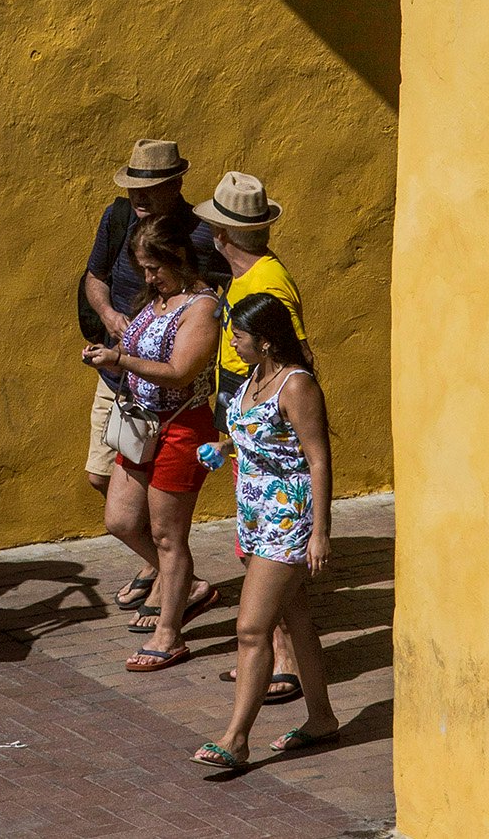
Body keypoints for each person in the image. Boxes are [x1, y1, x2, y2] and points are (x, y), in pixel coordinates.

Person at [80, 139, 230, 622]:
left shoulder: (202, 235)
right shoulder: (118, 217)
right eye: (133, 187)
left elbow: (207, 304)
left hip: (169, 399)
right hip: (122, 381)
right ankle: (163, 566)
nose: (138, 197)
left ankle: (172, 579)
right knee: (102, 479)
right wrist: (109, 316)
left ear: (176, 184)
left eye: (149, 188)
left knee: (159, 512)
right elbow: (94, 277)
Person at [190, 292, 338, 769]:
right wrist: (226, 447)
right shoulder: (254, 376)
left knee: (251, 629)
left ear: (267, 340)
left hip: (288, 520)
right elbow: (264, 436)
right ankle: (322, 718)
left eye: (239, 334)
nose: (231, 340)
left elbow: (318, 459)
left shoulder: (295, 386)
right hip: (255, 517)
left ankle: (236, 739)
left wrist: (320, 531)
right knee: (295, 620)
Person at [82, 221, 221, 672]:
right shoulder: (157, 300)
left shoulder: (201, 307)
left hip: (180, 428)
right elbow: (139, 343)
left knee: (167, 535)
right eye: (142, 269)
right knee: (121, 520)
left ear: (179, 259)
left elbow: (181, 370)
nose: (148, 278)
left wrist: (120, 358)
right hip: (143, 424)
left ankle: (169, 632)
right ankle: (191, 585)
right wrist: (108, 349)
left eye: (154, 268)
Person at [194, 169, 311, 705]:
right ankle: (267, 660)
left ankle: (279, 664)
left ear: (222, 237)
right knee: (255, 554)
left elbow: (295, 362)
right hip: (247, 432)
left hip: (269, 446)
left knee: (267, 559)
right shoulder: (247, 279)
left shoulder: (266, 284)